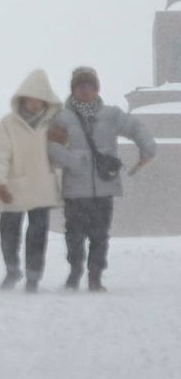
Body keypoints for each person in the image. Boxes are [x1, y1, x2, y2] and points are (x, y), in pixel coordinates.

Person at [45, 66, 157, 292]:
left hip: (104, 186)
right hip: (75, 189)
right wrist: (74, 161)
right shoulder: (62, 118)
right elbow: (51, 147)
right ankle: (75, 271)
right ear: (73, 89)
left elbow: (136, 128)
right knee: (74, 234)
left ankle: (95, 276)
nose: (85, 89)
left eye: (89, 85)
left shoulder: (111, 115)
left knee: (100, 235)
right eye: (80, 85)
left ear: (97, 88)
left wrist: (147, 148)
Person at [0, 68, 62, 292]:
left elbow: (62, 157)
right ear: (23, 98)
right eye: (31, 98)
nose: (35, 103)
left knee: (37, 236)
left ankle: (33, 277)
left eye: (40, 99)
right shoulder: (7, 124)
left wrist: (62, 143)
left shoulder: (54, 125)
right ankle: (12, 270)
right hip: (13, 188)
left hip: (41, 188)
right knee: (9, 234)